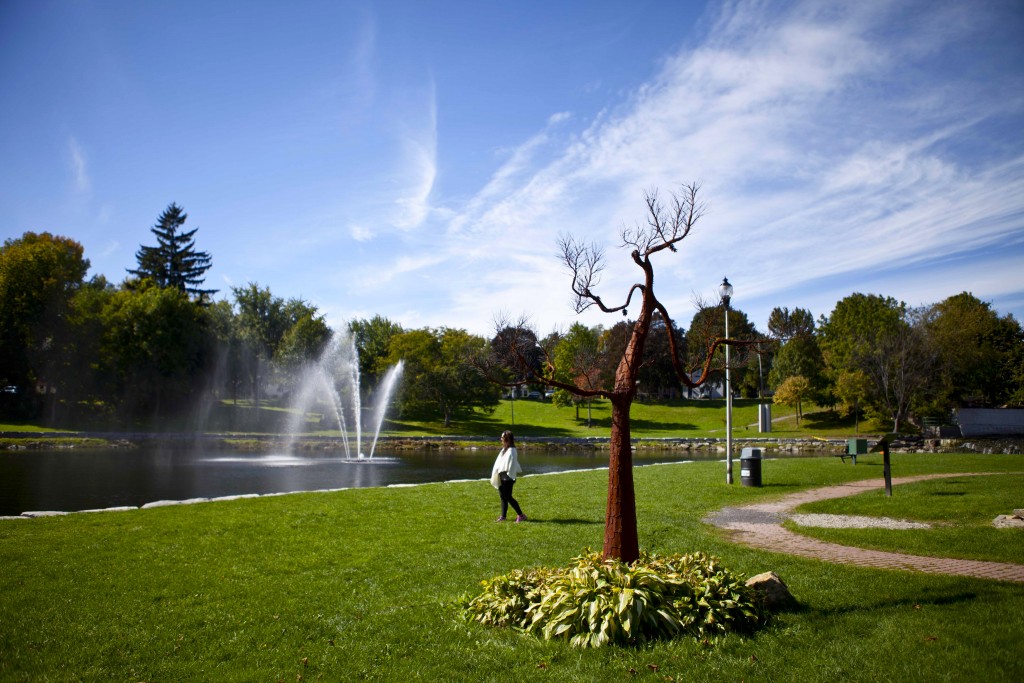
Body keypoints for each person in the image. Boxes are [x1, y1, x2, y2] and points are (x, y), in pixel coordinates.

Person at [490, 430, 526, 522]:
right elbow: (500, 463)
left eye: (502, 438)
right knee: (503, 497)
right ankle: (503, 516)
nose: (501, 439)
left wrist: (511, 476)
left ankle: (521, 515)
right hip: (502, 477)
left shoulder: (512, 450)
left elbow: (512, 464)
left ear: (507, 439)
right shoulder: (504, 449)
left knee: (508, 497)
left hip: (508, 478)